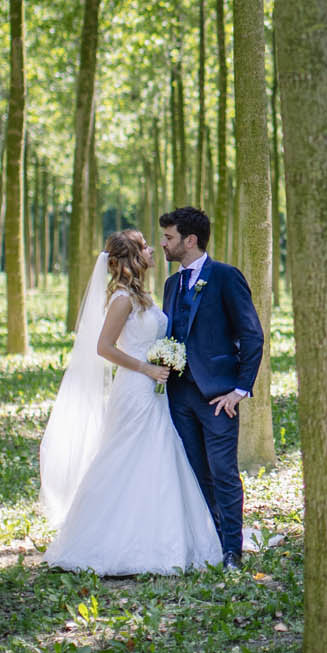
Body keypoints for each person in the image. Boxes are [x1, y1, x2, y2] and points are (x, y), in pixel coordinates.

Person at [39, 229, 222, 575]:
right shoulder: (122, 298)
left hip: (153, 387)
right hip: (136, 388)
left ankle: (159, 536)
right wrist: (147, 368)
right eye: (145, 246)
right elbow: (104, 347)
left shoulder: (142, 295)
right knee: (127, 456)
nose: (154, 249)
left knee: (157, 457)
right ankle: (106, 541)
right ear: (133, 259)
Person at [157, 205, 266, 567]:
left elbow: (252, 335)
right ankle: (209, 543)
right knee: (194, 472)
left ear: (190, 240)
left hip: (218, 396)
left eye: (169, 237)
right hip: (179, 394)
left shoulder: (225, 276)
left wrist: (239, 389)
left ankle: (232, 550)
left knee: (223, 473)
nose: (163, 244)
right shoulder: (171, 284)